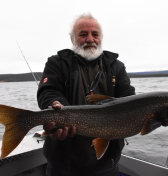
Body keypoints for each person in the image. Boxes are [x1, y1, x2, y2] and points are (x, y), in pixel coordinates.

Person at [37, 13, 135, 176]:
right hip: (63, 163)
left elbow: (129, 98)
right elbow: (48, 91)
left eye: (95, 34)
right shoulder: (57, 62)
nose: (90, 39)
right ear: (73, 39)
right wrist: (56, 104)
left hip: (106, 162)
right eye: (83, 34)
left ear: (101, 38)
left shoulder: (116, 66)